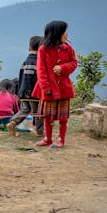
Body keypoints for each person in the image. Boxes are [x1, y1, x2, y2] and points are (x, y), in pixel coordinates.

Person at [32, 20, 77, 148]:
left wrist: (63, 68)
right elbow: (41, 70)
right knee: (47, 116)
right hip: (48, 89)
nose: (67, 34)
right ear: (57, 34)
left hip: (63, 88)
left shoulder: (68, 48)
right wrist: (46, 87)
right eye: (64, 32)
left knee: (63, 117)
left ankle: (61, 139)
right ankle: (48, 138)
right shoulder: (43, 50)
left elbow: (74, 63)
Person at [6, 35, 45, 137]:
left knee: (25, 110)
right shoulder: (38, 62)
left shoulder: (25, 61)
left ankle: (12, 123)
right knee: (38, 112)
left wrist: (20, 92)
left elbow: (21, 77)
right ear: (41, 48)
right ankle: (40, 132)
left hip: (22, 90)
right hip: (33, 92)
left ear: (29, 48)